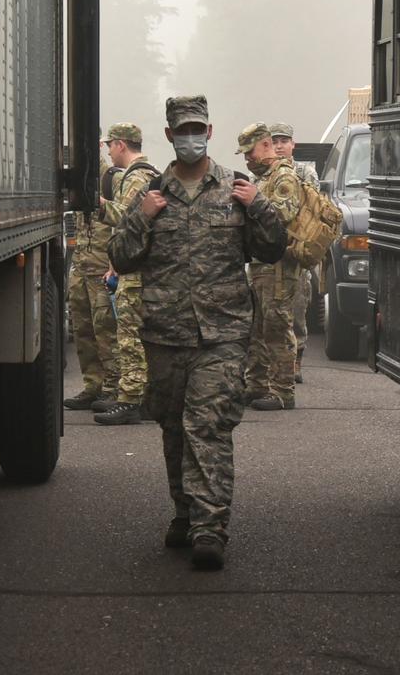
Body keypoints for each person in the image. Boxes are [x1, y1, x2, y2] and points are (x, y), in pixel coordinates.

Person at [108, 96, 287, 570]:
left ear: (209, 133)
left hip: (222, 334)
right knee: (172, 427)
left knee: (206, 426)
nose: (190, 137)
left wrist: (261, 207)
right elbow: (122, 257)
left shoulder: (237, 188)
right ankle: (184, 513)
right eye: (182, 129)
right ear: (169, 135)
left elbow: (271, 250)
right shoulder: (152, 193)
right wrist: (141, 217)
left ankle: (211, 528)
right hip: (165, 335)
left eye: (198, 129)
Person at [93, 122, 160, 425]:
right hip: (131, 262)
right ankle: (138, 397)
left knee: (130, 335)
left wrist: (100, 206)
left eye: (110, 145)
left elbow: (131, 217)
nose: (108, 151)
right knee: (131, 334)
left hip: (137, 266)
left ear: (121, 145)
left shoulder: (138, 177)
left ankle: (131, 400)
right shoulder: (137, 175)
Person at [242, 123, 304, 410]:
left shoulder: (284, 176)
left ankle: (282, 391)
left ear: (265, 145)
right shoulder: (264, 177)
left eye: (250, 152)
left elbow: (285, 212)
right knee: (257, 328)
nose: (247, 159)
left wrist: (255, 202)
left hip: (279, 267)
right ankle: (256, 385)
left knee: (277, 326)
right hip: (260, 266)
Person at [64, 142, 120, 410]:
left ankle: (113, 387)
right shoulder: (78, 180)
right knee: (83, 330)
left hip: (102, 268)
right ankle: (93, 385)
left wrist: (115, 265)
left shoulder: (112, 179)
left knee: (106, 332)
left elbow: (123, 223)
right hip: (82, 266)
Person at [270, 122, 317, 384]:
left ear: (292, 145)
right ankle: (275, 363)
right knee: (271, 312)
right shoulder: (263, 175)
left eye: (283, 141)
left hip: (296, 250)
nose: (279, 146)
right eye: (274, 141)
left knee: (298, 307)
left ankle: (296, 358)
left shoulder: (305, 172)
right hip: (271, 253)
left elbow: (311, 206)